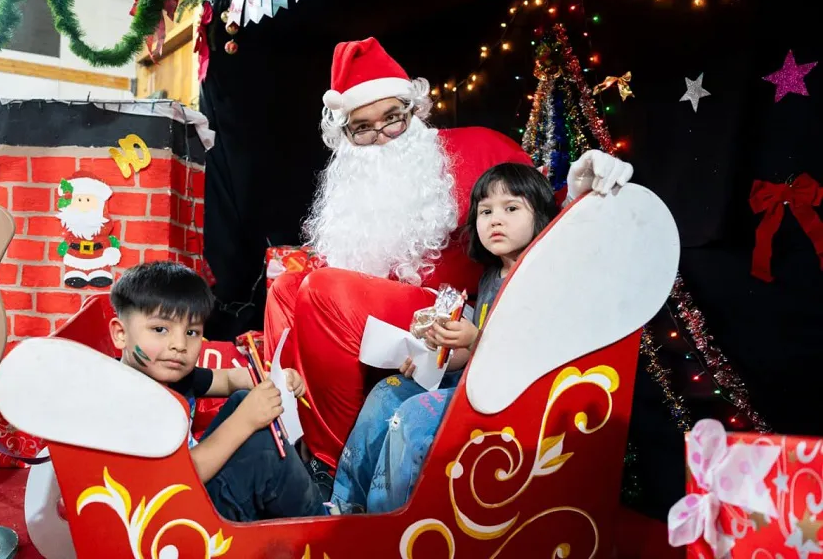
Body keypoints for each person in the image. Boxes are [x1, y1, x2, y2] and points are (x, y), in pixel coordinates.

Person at [265, 37, 634, 471]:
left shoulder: (478, 148)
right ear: (345, 134)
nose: (381, 137)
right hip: (384, 323)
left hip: (458, 312)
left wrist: (579, 193)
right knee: (288, 288)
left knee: (324, 290)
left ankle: (332, 466)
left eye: (393, 120)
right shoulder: (350, 182)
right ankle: (292, 439)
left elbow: (538, 213)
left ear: (415, 111)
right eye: (362, 128)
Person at [329, 163, 560, 514]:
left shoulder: (542, 277)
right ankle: (346, 506)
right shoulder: (489, 278)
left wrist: (477, 338)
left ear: (541, 216)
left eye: (511, 208)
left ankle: (388, 519)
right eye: (486, 211)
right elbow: (468, 356)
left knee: (413, 416)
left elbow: (533, 352)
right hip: (471, 383)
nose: (495, 219)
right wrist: (434, 351)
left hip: (511, 396)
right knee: (388, 390)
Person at [109, 261, 326, 521]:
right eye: (160, 329)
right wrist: (245, 420)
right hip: (172, 519)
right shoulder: (129, 400)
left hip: (189, 490)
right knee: (263, 450)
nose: (179, 344)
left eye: (191, 332)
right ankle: (319, 528)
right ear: (121, 334)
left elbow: (226, 380)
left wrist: (273, 379)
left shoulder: (165, 372)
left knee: (242, 399)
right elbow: (174, 478)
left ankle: (305, 503)